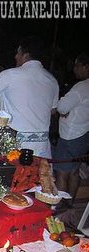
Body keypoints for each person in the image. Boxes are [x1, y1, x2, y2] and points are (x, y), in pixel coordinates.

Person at [0, 36, 59, 158]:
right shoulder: (52, 80)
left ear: (26, 55)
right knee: (39, 177)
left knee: (13, 177)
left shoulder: (11, 75)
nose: (15, 56)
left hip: (16, 147)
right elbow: (53, 110)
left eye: (18, 53)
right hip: (42, 147)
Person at [53, 52, 89, 206]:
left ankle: (61, 207)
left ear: (85, 67)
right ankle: (70, 205)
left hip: (70, 135)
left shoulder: (81, 87)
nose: (74, 69)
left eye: (77, 65)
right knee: (74, 172)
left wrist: (64, 112)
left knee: (62, 172)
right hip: (84, 135)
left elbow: (62, 107)